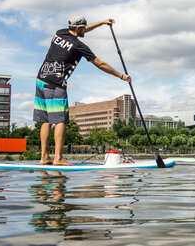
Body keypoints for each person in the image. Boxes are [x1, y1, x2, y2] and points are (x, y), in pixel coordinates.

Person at [34, 16, 131, 165]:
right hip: (56, 83)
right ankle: (58, 158)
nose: (86, 29)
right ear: (78, 29)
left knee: (46, 121)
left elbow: (84, 28)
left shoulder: (60, 33)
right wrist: (121, 76)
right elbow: (100, 64)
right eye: (84, 28)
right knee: (60, 120)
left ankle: (44, 157)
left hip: (41, 79)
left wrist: (102, 22)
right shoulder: (79, 46)